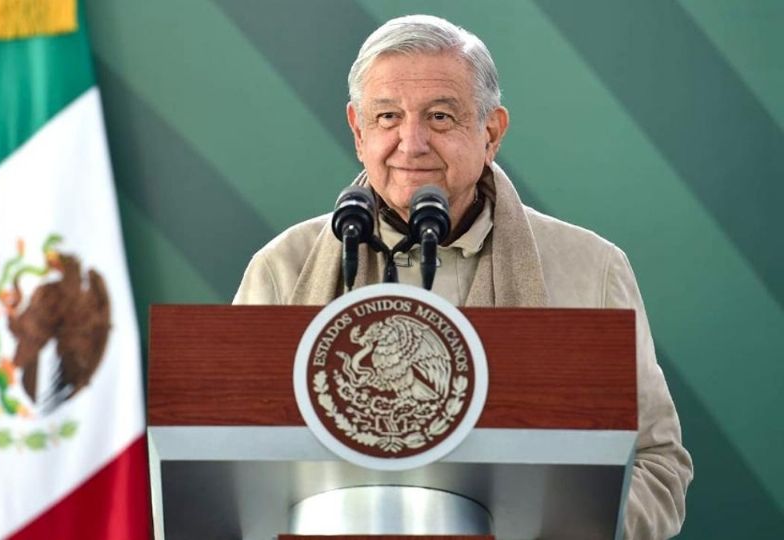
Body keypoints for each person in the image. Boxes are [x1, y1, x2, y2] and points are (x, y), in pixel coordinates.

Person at [234, 14, 692, 539]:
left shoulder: (591, 269)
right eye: (387, 117)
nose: (411, 143)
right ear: (358, 132)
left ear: (491, 132)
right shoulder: (283, 269)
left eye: (440, 117)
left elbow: (658, 465)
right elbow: (229, 465)